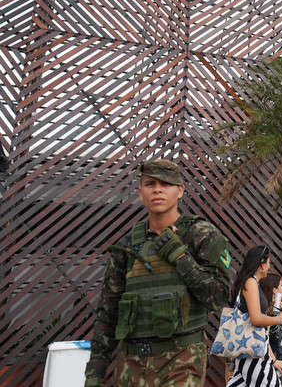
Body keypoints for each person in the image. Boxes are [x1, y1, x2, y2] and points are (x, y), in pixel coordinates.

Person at [83, 159, 232, 387]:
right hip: (130, 365)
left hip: (181, 361)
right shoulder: (127, 245)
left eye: (166, 184)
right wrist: (94, 373)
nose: (158, 189)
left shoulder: (201, 234)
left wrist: (180, 256)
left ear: (180, 190)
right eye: (150, 184)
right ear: (141, 193)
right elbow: (107, 312)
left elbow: (219, 297)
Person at [226, 246, 282, 387]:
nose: (269, 267)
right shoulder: (251, 282)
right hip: (253, 353)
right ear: (261, 263)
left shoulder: (251, 282)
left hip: (252, 350)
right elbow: (255, 318)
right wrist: (279, 319)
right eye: (268, 263)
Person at [260, 274, 282, 360]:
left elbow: (274, 331)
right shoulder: (262, 308)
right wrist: (278, 319)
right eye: (281, 285)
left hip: (274, 354)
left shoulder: (273, 306)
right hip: (266, 358)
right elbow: (265, 336)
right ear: (274, 289)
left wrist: (273, 312)